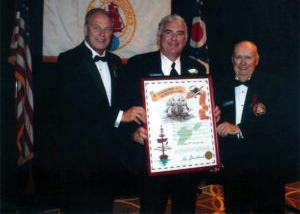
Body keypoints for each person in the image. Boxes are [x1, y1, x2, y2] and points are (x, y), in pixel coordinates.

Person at [120, 14, 220, 213]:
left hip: (187, 160)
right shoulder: (137, 65)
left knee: (185, 208)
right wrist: (134, 132)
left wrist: (210, 114)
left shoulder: (197, 68)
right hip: (153, 159)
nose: (174, 38)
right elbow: (123, 108)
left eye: (179, 34)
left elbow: (200, 107)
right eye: (168, 32)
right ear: (159, 36)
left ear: (185, 39)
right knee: (151, 209)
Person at [57, 8, 146, 213]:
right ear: (86, 29)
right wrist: (121, 115)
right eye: (97, 28)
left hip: (109, 155)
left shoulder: (115, 62)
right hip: (80, 156)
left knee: (104, 206)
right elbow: (77, 104)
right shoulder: (68, 60)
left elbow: (122, 102)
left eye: (107, 29)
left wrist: (133, 129)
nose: (102, 34)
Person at [215, 40, 287, 213]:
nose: (243, 63)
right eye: (238, 57)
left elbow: (279, 121)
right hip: (234, 168)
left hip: (266, 166)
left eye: (248, 58)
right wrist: (215, 155)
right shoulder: (219, 87)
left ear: (257, 59)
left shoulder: (273, 85)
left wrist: (240, 129)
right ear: (232, 59)